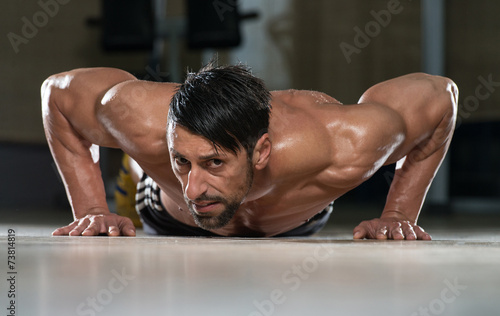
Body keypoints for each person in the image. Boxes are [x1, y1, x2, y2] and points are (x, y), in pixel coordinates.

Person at [41, 62, 458, 239]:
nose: (194, 186)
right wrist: (91, 209)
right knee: (155, 171)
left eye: (214, 162)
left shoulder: (346, 142)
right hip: (168, 213)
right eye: (182, 161)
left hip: (292, 220)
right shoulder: (138, 115)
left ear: (261, 152)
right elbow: (56, 95)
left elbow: (442, 97)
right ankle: (141, 168)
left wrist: (398, 213)